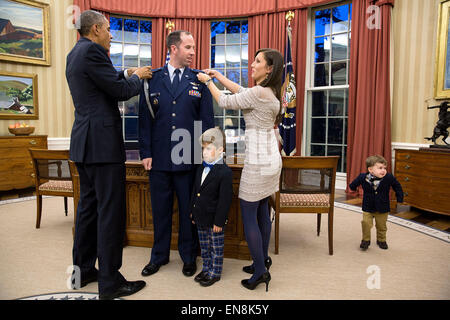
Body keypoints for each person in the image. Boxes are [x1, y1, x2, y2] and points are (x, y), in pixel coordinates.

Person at [66, 10, 152, 300]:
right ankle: (110, 282)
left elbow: (103, 79)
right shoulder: (93, 51)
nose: (111, 34)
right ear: (96, 30)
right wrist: (137, 77)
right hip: (102, 147)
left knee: (88, 210)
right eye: (108, 29)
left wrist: (124, 72)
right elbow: (119, 91)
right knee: (110, 213)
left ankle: (82, 271)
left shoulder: (76, 53)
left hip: (84, 145)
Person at [197, 48, 284, 291]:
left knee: (248, 214)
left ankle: (259, 272)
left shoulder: (259, 93)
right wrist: (219, 75)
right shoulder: (269, 92)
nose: (252, 64)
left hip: (257, 161)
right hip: (272, 159)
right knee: (262, 213)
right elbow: (239, 90)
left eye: (258, 61)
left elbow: (225, 101)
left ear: (269, 69)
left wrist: (208, 82)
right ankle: (262, 260)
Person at [139, 30, 214, 278]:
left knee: (187, 211)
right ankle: (158, 256)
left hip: (188, 158)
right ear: (173, 49)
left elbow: (206, 121)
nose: (193, 52)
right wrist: (146, 151)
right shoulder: (152, 79)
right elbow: (145, 120)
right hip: (158, 158)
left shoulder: (198, 80)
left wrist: (206, 155)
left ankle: (188, 256)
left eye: (194, 48)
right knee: (159, 210)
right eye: (189, 47)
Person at [190, 128, 233, 287]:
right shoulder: (201, 168)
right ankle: (207, 268)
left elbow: (225, 200)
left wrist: (219, 222)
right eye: (203, 148)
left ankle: (215, 272)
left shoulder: (225, 172)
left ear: (220, 150)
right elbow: (196, 191)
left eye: (208, 148)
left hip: (215, 219)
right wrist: (192, 212)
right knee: (205, 246)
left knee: (216, 247)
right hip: (200, 215)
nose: (204, 152)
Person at [349, 155, 404, 251]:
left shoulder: (388, 177)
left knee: (381, 226)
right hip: (368, 206)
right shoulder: (363, 177)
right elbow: (354, 184)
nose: (383, 170)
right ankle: (366, 240)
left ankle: (381, 240)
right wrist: (353, 187)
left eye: (384, 168)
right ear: (370, 170)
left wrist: (399, 197)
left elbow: (397, 186)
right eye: (380, 168)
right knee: (366, 223)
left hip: (382, 207)